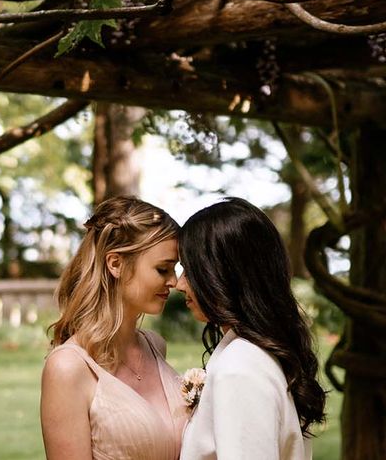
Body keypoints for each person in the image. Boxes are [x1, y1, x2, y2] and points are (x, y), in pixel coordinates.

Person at [176, 197, 326, 460]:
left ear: (220, 273)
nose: (179, 284)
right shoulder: (260, 353)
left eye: (189, 270)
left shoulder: (240, 367)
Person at [40, 196, 188, 460]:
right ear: (116, 264)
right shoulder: (68, 368)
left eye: (174, 269)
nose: (174, 281)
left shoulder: (155, 345)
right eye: (163, 269)